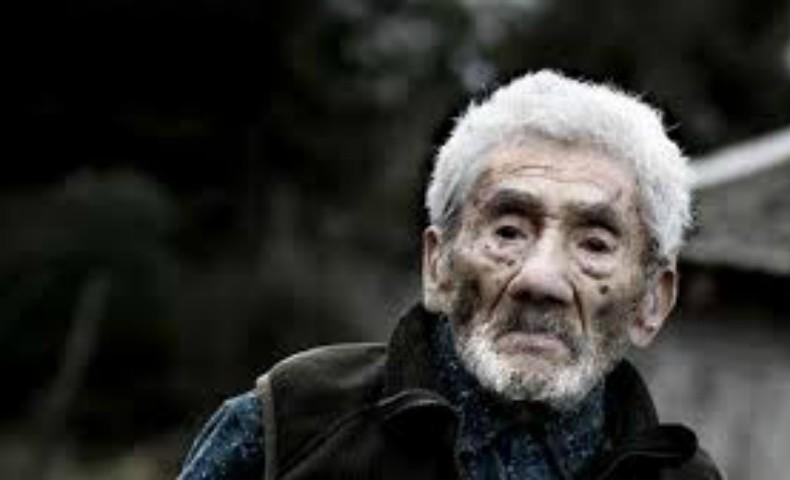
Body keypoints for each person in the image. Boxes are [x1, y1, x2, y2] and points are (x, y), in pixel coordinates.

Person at [178, 70, 722, 480]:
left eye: (595, 244)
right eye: (508, 231)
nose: (540, 279)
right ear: (437, 264)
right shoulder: (292, 423)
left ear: (653, 301)